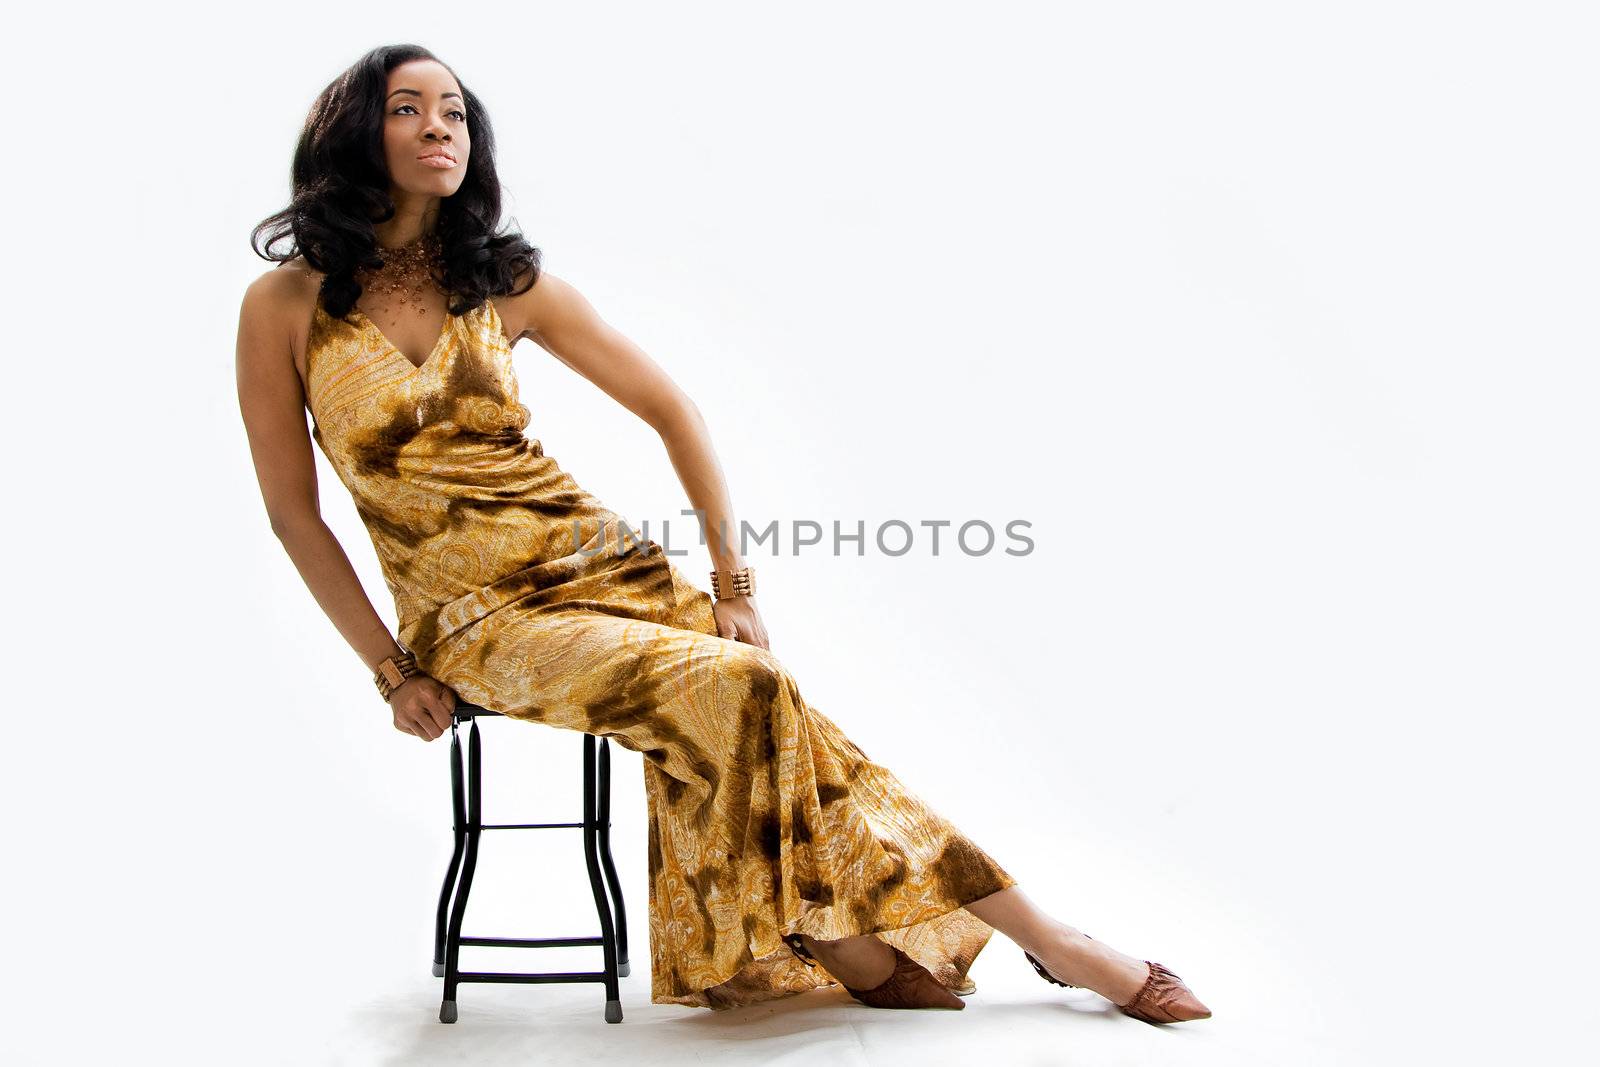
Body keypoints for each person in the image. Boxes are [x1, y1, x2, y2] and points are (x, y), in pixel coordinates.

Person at [235, 43, 1211, 1023]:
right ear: (357, 132)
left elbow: (674, 409)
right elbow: (293, 512)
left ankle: (1048, 940)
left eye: (454, 110)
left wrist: (733, 586)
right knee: (746, 687)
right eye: (409, 108)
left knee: (787, 713)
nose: (439, 126)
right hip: (478, 622)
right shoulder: (284, 307)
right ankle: (863, 940)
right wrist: (391, 669)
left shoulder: (503, 283)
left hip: (602, 568)